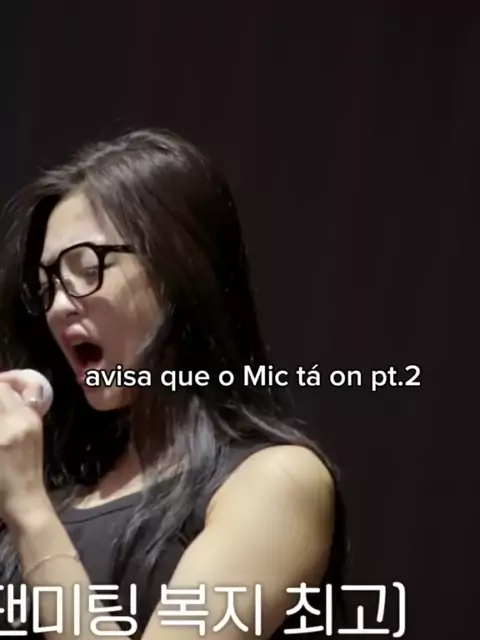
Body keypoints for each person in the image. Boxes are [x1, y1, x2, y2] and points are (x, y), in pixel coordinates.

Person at [0, 129, 347, 639]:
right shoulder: (61, 490)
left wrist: (27, 509)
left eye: (86, 268)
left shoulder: (276, 481)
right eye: (47, 285)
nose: (58, 305)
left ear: (178, 270)